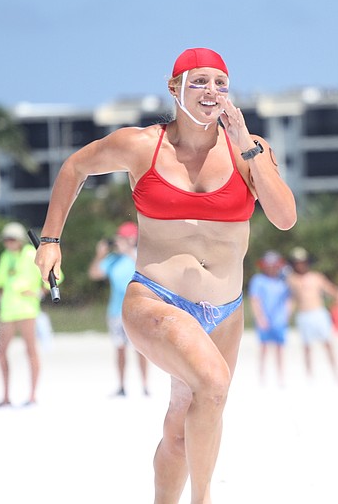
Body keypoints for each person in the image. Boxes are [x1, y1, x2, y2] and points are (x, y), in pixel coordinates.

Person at [33, 47, 296, 504]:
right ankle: (204, 498)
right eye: (199, 82)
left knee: (182, 424)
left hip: (226, 311)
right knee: (213, 384)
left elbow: (285, 217)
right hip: (156, 300)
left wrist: (249, 147)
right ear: (175, 89)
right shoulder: (142, 144)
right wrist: (50, 241)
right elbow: (75, 166)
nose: (211, 92)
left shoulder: (249, 149)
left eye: (220, 83)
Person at [88, 221, 150, 397]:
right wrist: (100, 255)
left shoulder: (139, 256)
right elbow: (94, 274)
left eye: (124, 238)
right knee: (120, 349)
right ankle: (122, 386)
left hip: (138, 310)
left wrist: (128, 251)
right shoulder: (113, 260)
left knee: (141, 349)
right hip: (116, 311)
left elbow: (146, 271)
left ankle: (145, 385)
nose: (120, 241)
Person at [0, 221, 47, 408]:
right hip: (7, 310)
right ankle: (6, 396)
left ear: (20, 240)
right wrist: (1, 296)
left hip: (27, 309)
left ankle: (32, 395)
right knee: (0, 353)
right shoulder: (5, 256)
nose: (8, 243)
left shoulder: (31, 254)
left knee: (30, 351)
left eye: (12, 239)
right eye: (6, 240)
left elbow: (53, 276)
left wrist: (40, 293)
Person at [286, 246, 338, 385]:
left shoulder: (316, 277)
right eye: (297, 262)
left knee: (328, 344)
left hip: (318, 313)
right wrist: (286, 315)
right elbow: (291, 299)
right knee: (307, 347)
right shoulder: (291, 279)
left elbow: (332, 291)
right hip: (303, 315)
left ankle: (337, 374)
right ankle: (309, 377)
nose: (300, 264)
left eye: (302, 261)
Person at [247, 250, 292, 388]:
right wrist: (260, 318)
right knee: (264, 348)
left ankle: (281, 377)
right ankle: (262, 376)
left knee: (280, 349)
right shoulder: (258, 280)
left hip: (279, 320)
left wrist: (287, 315)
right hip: (264, 320)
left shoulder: (284, 281)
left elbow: (290, 299)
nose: (271, 267)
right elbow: (255, 300)